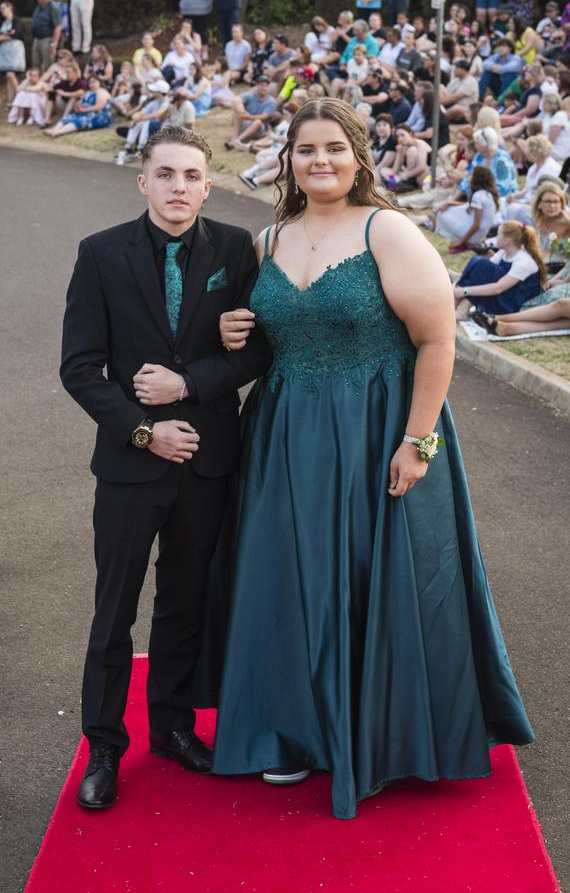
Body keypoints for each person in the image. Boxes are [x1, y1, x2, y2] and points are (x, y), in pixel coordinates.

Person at [211, 98, 534, 819]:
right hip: (287, 429)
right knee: (290, 576)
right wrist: (238, 329)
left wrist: (417, 441)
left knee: (378, 573)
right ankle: (294, 734)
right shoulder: (269, 239)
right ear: (288, 160)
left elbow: (437, 339)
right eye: (305, 150)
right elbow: (269, 337)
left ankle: (387, 736)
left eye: (333, 148)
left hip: (379, 422)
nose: (319, 161)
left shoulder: (385, 228)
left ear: (358, 155)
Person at [60, 123, 272, 809]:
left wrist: (189, 385)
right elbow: (80, 367)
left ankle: (174, 729)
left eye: (191, 176)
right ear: (143, 180)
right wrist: (145, 431)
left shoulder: (236, 251)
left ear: (208, 186)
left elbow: (257, 352)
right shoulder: (99, 254)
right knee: (113, 612)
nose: (179, 187)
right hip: (130, 467)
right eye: (166, 174)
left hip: (209, 465)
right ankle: (103, 746)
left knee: (185, 605)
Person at [454, 220, 546, 318]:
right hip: (504, 294)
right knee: (479, 262)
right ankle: (456, 304)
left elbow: (498, 288)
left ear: (507, 241)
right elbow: (481, 273)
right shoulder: (504, 252)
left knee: (482, 264)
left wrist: (464, 291)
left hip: (511, 304)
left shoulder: (524, 262)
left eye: (498, 234)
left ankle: (462, 307)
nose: (495, 238)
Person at [432, 164, 499, 251]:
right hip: (481, 234)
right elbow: (468, 205)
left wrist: (462, 241)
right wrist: (449, 203)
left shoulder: (478, 196)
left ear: (476, 179)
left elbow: (476, 225)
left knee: (441, 213)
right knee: (449, 208)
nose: (469, 177)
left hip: (475, 237)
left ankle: (438, 228)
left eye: (471, 175)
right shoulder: (487, 193)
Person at [504, 135, 561, 223]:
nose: (526, 154)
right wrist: (514, 196)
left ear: (536, 152)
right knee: (503, 201)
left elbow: (544, 197)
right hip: (528, 200)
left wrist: (519, 202)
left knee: (513, 208)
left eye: (529, 152)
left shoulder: (551, 169)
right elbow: (527, 189)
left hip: (540, 205)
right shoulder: (533, 167)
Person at [44, 74, 112, 136]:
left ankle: (58, 132)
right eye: (90, 83)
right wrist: (77, 107)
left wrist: (84, 110)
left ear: (99, 82)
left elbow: (99, 107)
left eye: (94, 82)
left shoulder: (101, 91)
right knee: (67, 117)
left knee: (81, 120)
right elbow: (80, 103)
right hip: (85, 113)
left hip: (99, 115)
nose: (91, 84)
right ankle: (55, 129)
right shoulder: (87, 92)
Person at [226, 76, 276, 149]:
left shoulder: (271, 101)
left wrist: (249, 117)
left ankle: (237, 141)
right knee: (238, 113)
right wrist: (242, 111)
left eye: (266, 86)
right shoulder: (250, 95)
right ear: (257, 86)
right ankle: (235, 137)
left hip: (260, 130)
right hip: (248, 123)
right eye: (261, 85)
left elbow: (264, 117)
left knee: (258, 122)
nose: (263, 88)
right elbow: (236, 99)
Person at [380, 122, 430, 191]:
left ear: (410, 134)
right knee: (383, 170)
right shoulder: (404, 147)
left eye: (402, 135)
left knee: (411, 150)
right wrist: (399, 154)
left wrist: (406, 175)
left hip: (427, 174)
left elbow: (421, 166)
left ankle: (407, 183)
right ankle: (395, 184)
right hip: (411, 174)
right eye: (398, 137)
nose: (400, 139)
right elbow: (395, 171)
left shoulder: (420, 144)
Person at [0, 0, 26, 105]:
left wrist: (4, 36)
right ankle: (10, 101)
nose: (2, 11)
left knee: (11, 74)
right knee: (8, 76)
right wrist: (6, 36)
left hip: (15, 49)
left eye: (4, 8)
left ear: (10, 8)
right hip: (5, 50)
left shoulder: (16, 20)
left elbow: (15, 34)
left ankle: (20, 95)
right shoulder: (2, 22)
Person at [31, 0, 62, 72]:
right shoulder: (39, 7)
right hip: (37, 39)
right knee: (36, 64)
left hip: (47, 39)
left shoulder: (53, 8)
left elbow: (58, 26)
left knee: (48, 64)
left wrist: (54, 43)